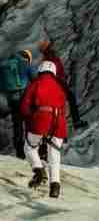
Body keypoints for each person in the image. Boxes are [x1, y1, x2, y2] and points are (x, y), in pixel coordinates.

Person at [20, 60, 67, 198]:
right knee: (54, 155)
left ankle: (38, 170)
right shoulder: (60, 87)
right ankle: (55, 187)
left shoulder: (35, 84)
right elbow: (64, 109)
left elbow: (24, 107)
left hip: (40, 120)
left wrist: (30, 119)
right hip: (58, 123)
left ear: (40, 71)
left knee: (29, 148)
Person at [38, 39, 87, 130]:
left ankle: (63, 129)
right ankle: (73, 124)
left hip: (58, 84)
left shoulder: (49, 59)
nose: (52, 47)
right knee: (64, 104)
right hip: (58, 85)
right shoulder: (50, 59)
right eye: (50, 46)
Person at [0, 49, 36, 159]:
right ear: (27, 57)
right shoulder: (25, 64)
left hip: (11, 100)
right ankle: (31, 149)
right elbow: (36, 80)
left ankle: (19, 151)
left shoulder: (3, 65)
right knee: (29, 123)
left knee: (17, 124)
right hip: (25, 99)